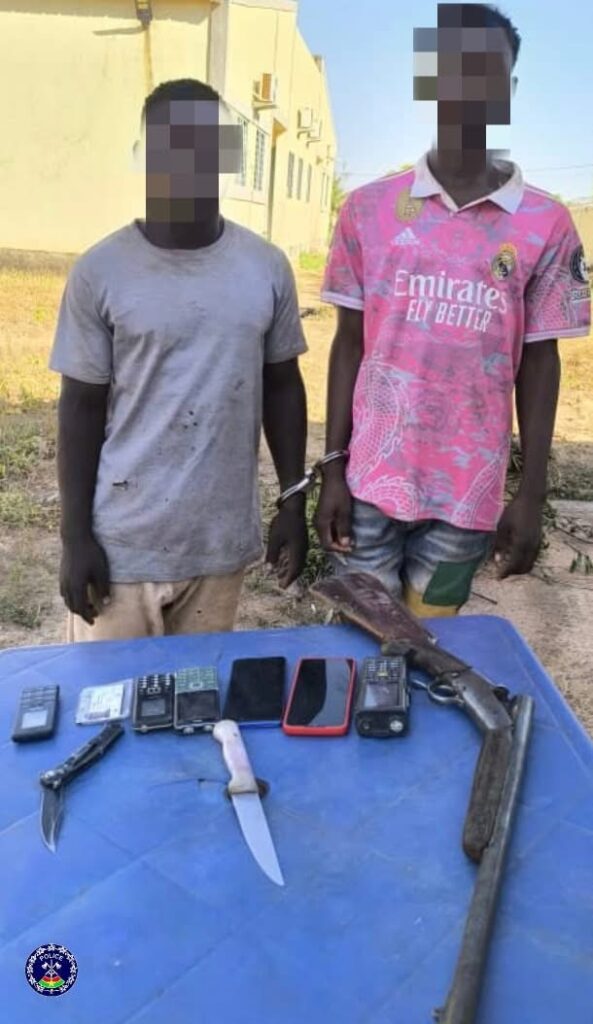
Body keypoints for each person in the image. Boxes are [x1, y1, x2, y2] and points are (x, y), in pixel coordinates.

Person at [315, 2, 591, 617]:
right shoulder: (368, 209)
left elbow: (540, 362)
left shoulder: (546, 222)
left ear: (508, 88)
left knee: (432, 645)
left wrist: (532, 493)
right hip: (367, 488)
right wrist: (332, 467)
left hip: (467, 502)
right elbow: (349, 344)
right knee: (365, 643)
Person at [50, 78, 309, 641]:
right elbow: (80, 406)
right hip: (120, 549)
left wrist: (293, 502)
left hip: (218, 548)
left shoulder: (265, 267)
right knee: (109, 694)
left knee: (197, 695)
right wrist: (75, 538)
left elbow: (283, 385)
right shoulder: (101, 271)